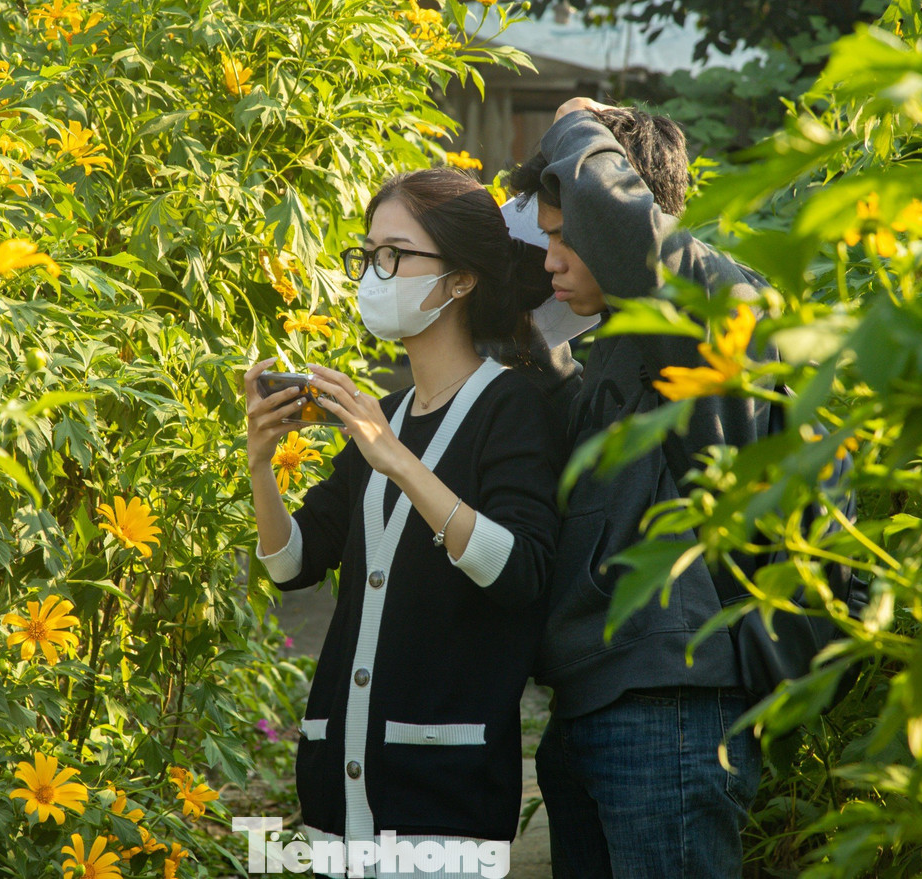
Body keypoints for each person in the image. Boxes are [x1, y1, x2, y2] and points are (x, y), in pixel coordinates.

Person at [243, 168, 562, 876]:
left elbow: (519, 570)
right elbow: (291, 565)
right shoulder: (381, 416)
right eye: (367, 255)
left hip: (446, 799)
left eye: (394, 255)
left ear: (459, 281)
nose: (373, 273)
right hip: (334, 794)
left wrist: (394, 458)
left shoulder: (512, 406)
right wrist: (261, 464)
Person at [509, 98, 776, 878]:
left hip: (670, 710)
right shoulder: (622, 343)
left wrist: (573, 123)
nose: (550, 258)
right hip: (595, 706)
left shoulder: (706, 301)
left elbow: (623, 227)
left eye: (565, 237)